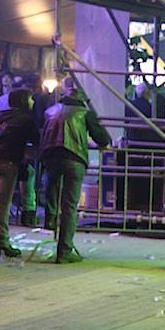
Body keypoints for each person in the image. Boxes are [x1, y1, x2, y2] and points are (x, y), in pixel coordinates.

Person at [40, 76, 111, 263]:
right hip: (74, 158)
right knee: (70, 206)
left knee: (51, 194)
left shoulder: (50, 111)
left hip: (50, 157)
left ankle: (50, 220)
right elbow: (102, 138)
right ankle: (64, 250)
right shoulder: (84, 113)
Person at [0, 88, 38, 258]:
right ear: (24, 101)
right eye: (30, 99)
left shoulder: (2, 116)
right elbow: (37, 140)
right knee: (3, 203)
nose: (33, 102)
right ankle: (0, 241)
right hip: (8, 161)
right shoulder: (25, 119)